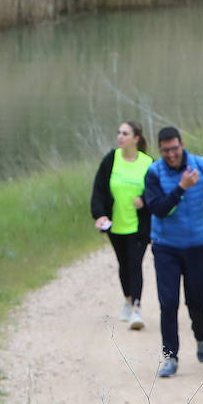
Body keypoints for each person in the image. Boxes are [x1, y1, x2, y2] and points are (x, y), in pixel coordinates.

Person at [142, 126, 203, 378]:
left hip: (198, 245)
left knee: (196, 300)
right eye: (166, 151)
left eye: (175, 149)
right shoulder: (153, 173)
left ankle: (200, 337)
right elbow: (158, 208)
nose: (172, 155)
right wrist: (182, 188)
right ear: (159, 150)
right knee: (168, 302)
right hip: (166, 246)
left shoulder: (201, 165)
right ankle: (170, 357)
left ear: (182, 144)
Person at [89, 120, 152, 331]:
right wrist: (98, 215)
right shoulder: (111, 159)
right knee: (123, 264)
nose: (120, 137)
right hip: (115, 224)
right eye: (119, 133)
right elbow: (99, 189)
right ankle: (127, 299)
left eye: (125, 133)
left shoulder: (147, 162)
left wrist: (144, 200)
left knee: (135, 264)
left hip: (139, 226)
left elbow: (157, 191)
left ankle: (136, 308)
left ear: (136, 138)